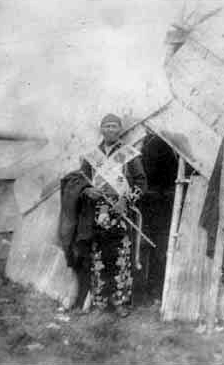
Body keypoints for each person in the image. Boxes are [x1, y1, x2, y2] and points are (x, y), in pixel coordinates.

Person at [59, 113, 147, 317]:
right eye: (106, 126)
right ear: (101, 129)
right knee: (97, 257)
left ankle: (120, 302)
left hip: (121, 213)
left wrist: (126, 201)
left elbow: (142, 183)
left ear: (120, 130)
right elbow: (80, 182)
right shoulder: (92, 157)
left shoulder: (129, 155)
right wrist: (88, 192)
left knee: (121, 257)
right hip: (96, 213)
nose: (110, 129)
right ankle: (99, 303)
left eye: (114, 126)